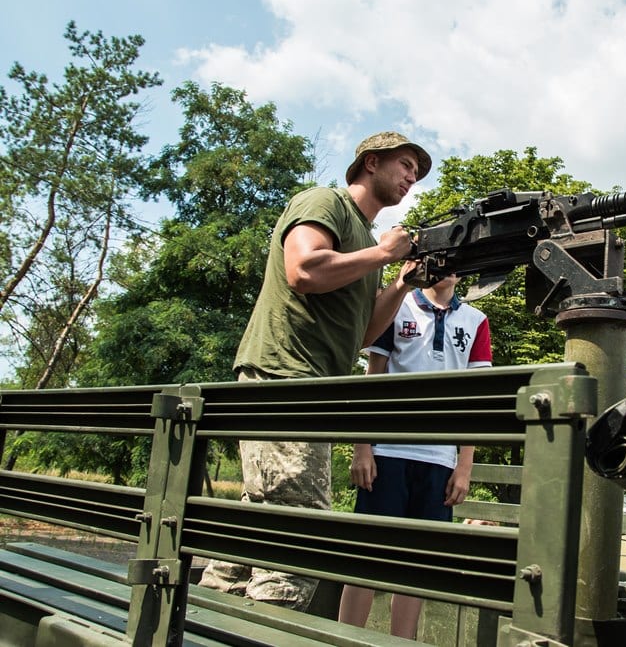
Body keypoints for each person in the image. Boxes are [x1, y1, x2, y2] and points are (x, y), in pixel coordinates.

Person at [198, 131, 432, 611]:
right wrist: (386, 254)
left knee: (258, 526)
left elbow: (362, 334)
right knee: (300, 531)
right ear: (371, 162)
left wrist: (402, 285)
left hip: (312, 388)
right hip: (284, 379)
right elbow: (302, 269)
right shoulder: (324, 202)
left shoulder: (365, 244)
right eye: (406, 164)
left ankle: (202, 622)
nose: (412, 177)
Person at [338, 273, 493, 639]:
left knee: (417, 564)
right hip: (388, 452)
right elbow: (373, 380)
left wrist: (464, 465)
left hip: (440, 459)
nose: (449, 268)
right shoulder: (397, 305)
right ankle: (344, 640)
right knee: (367, 557)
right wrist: (363, 447)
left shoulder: (476, 321)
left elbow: (476, 399)